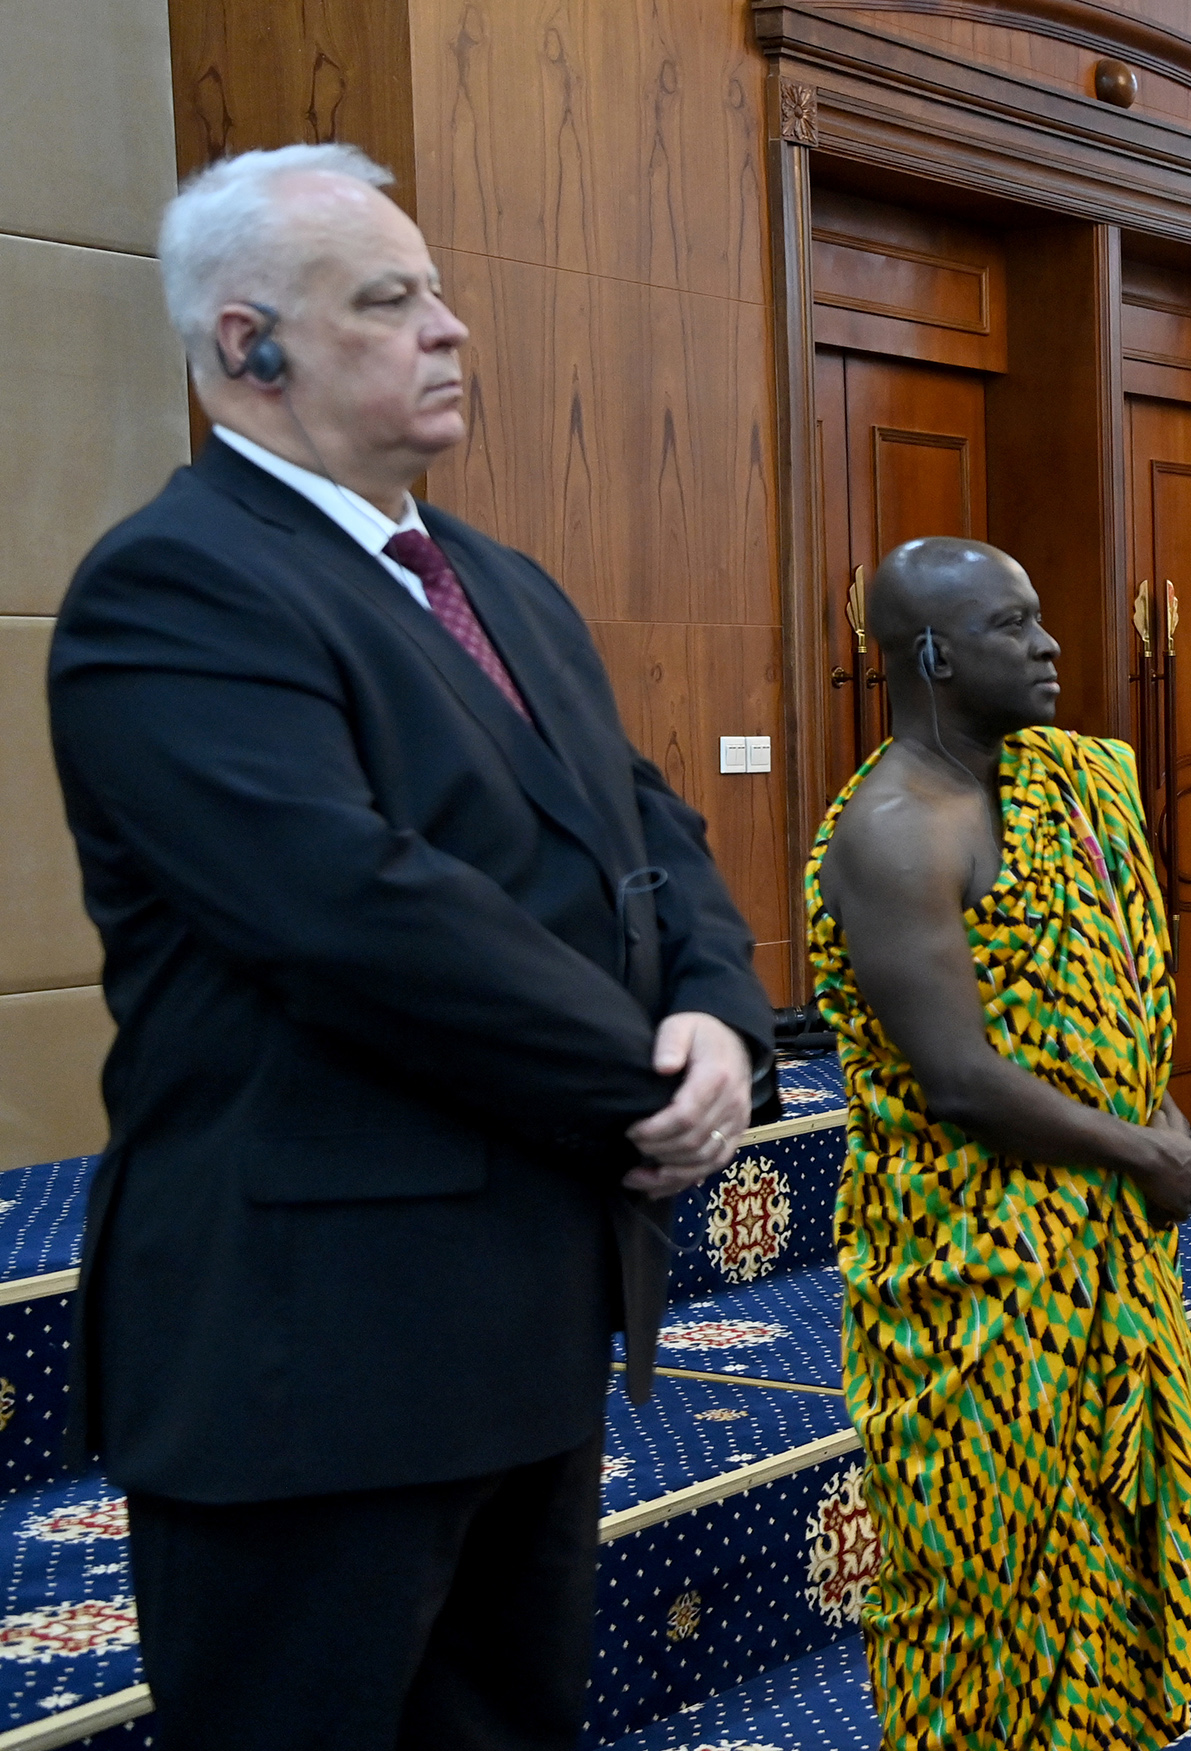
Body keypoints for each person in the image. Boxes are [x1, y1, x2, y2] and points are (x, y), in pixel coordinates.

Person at [47, 144, 772, 1745]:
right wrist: (645, 1084)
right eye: (388, 301)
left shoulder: (493, 579)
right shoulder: (176, 585)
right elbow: (356, 912)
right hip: (312, 1350)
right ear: (248, 344)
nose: (448, 328)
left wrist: (723, 1019)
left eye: (436, 291)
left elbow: (648, 830)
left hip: (522, 1318)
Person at [805, 538, 1191, 1748]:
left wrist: (1151, 1101)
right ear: (934, 653)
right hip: (976, 1268)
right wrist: (1143, 1152)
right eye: (1013, 626)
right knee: (988, 1572)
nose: (1050, 646)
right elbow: (960, 1080)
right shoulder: (894, 830)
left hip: (1101, 1243)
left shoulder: (1063, 784)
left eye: (1039, 618)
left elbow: (1110, 988)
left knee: (1106, 1551)